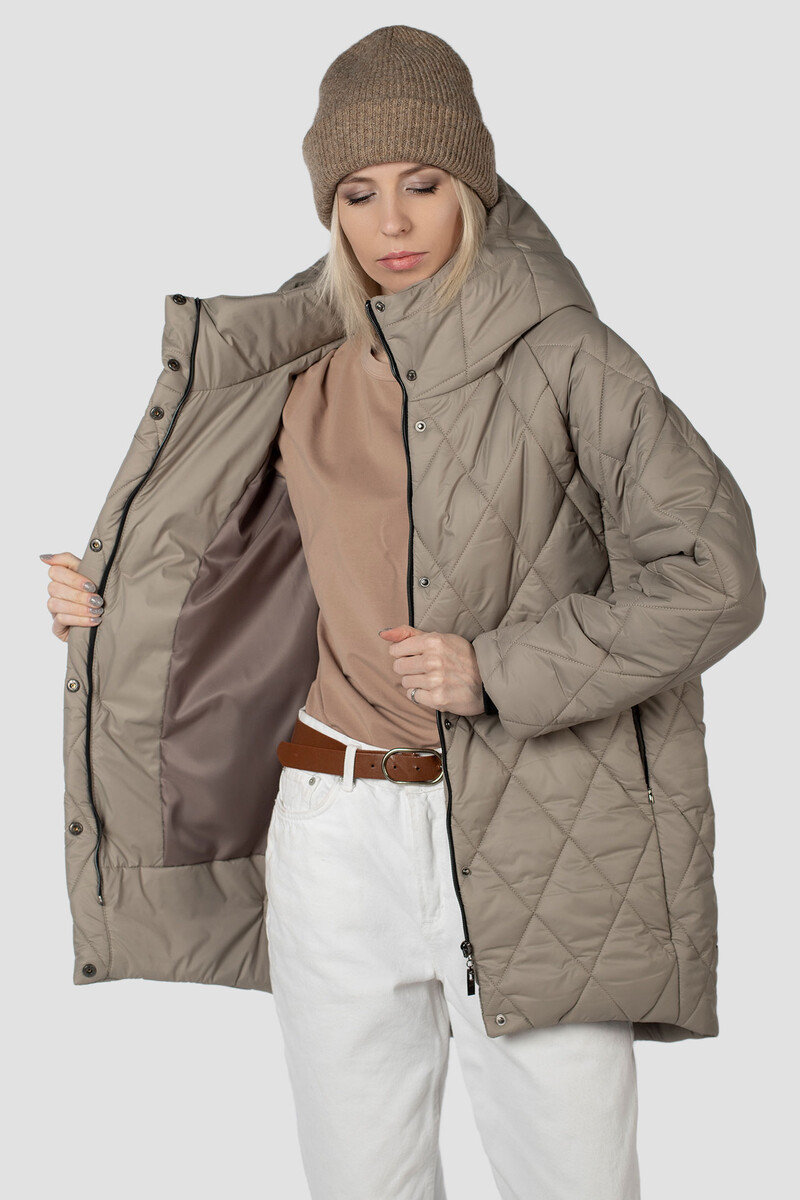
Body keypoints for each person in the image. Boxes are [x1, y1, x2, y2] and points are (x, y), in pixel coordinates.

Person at [41, 24, 765, 1200]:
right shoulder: (290, 366)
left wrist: (496, 669)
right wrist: (102, 604)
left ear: (470, 183)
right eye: (358, 193)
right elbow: (237, 576)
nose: (392, 222)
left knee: (572, 1184)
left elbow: (713, 576)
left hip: (535, 824)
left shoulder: (566, 356)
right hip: (329, 828)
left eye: (422, 184)